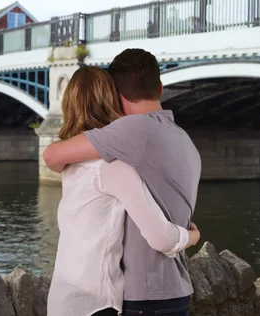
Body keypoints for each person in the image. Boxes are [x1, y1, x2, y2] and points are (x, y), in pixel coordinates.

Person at [43, 49, 202, 315]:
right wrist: (194, 235)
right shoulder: (186, 141)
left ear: (116, 95)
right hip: (176, 288)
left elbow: (52, 155)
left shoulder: (129, 134)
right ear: (160, 88)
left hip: (140, 296)